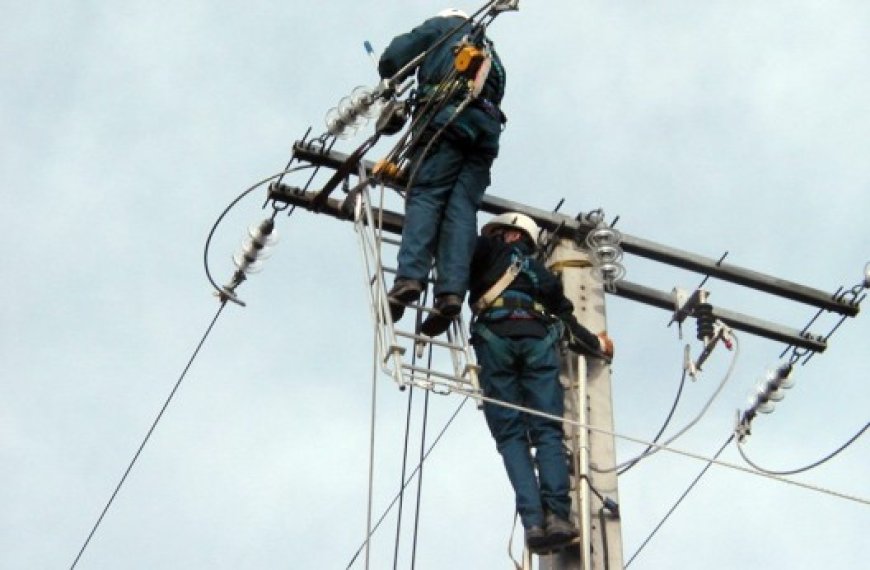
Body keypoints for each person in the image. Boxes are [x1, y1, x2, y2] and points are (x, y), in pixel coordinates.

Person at [467, 212, 614, 552]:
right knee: (547, 431)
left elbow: (458, 246)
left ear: (513, 235)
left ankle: (533, 522)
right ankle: (558, 517)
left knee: (511, 436)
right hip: (538, 344)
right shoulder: (542, 274)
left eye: (501, 233)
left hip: (496, 341)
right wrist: (597, 346)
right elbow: (567, 319)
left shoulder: (488, 250)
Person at [376, 8, 507, 335]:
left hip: (445, 123)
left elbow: (394, 58)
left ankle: (410, 278)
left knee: (426, 197)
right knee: (461, 210)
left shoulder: (442, 29)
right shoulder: (493, 56)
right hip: (485, 132)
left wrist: (390, 76)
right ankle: (450, 293)